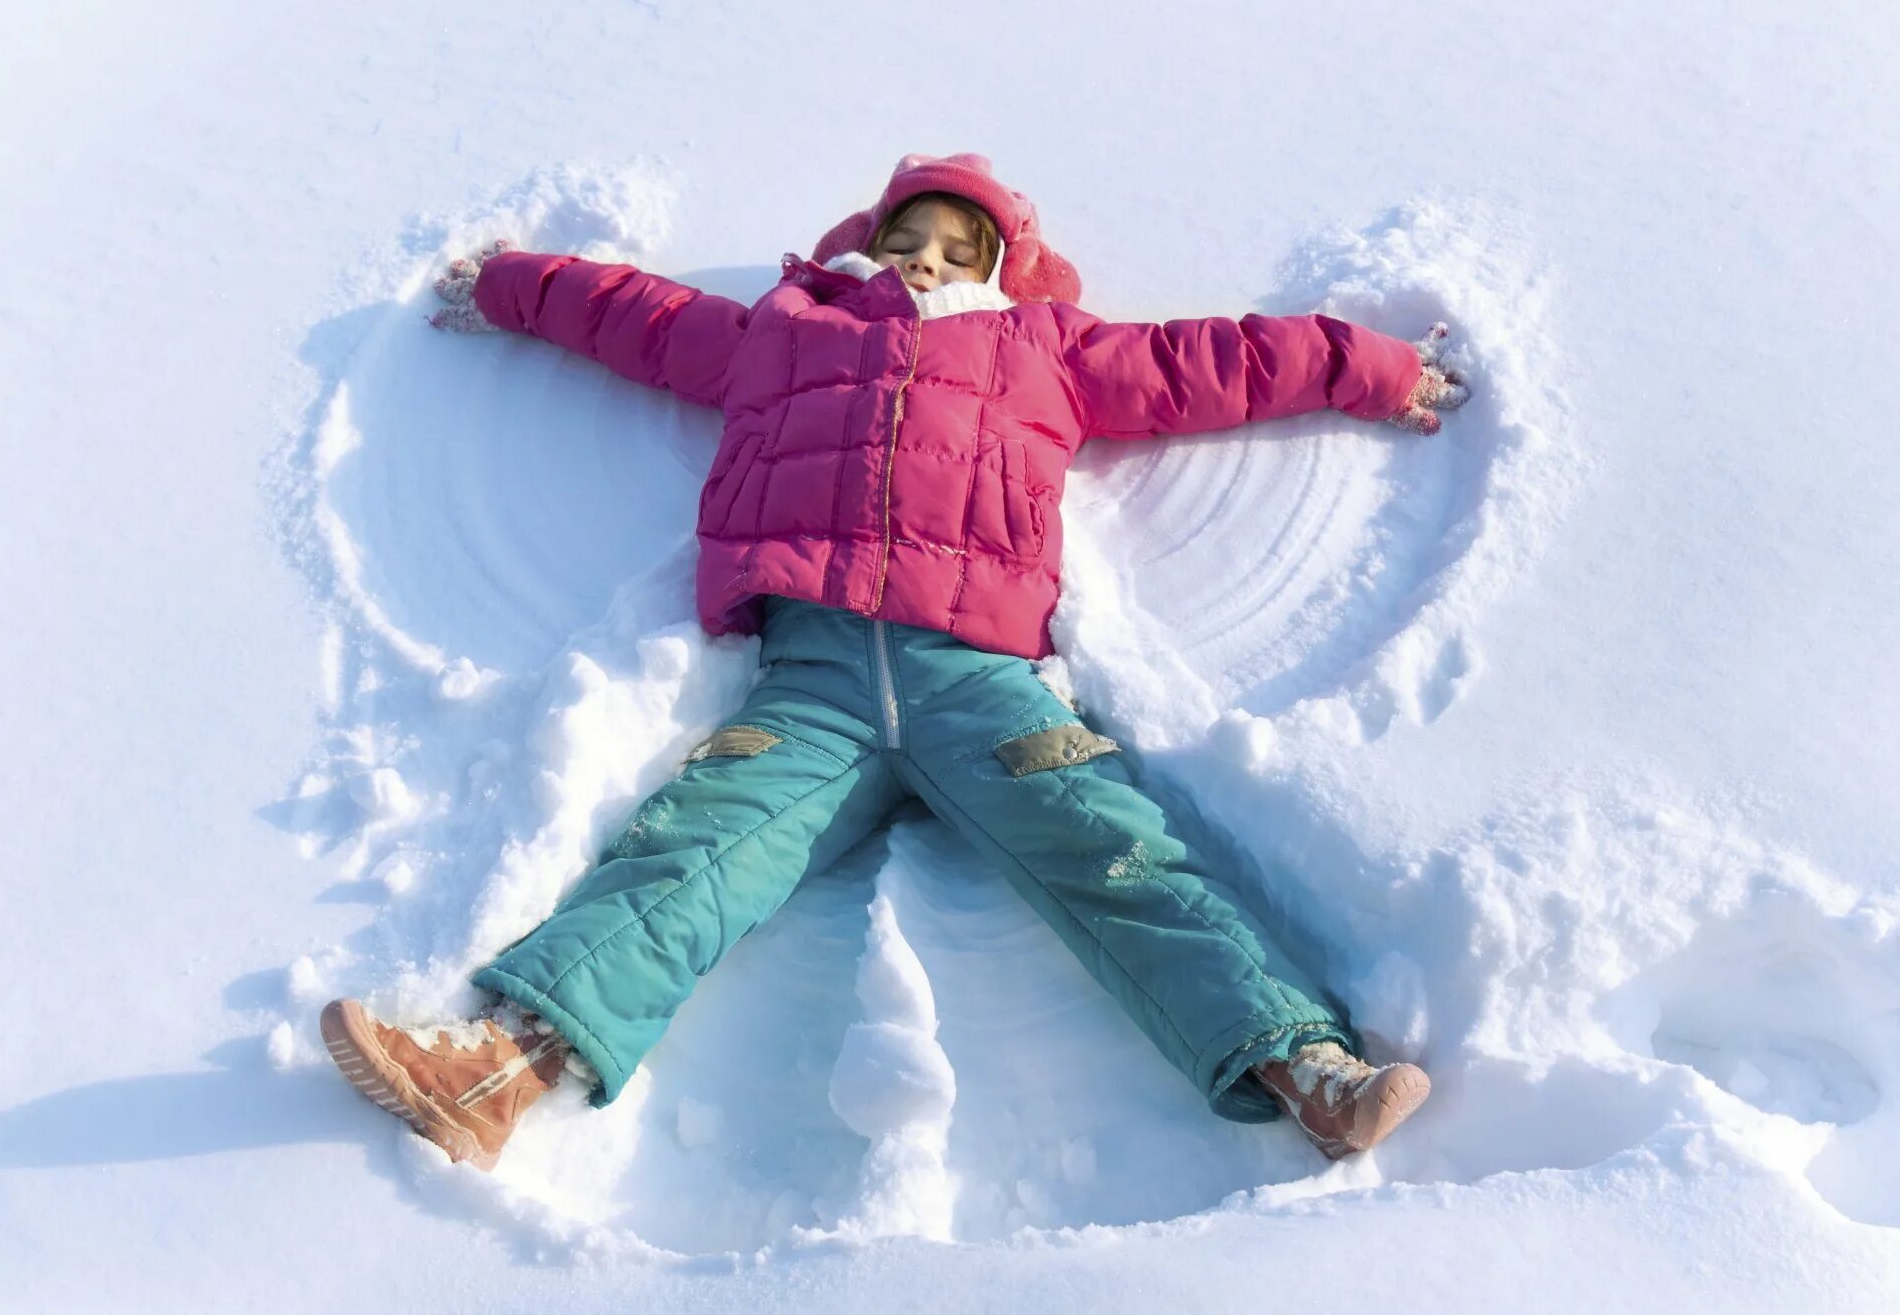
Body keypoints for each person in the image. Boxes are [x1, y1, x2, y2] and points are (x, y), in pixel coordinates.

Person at [320, 153, 1468, 1171]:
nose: (922, 261)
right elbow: (642, 318)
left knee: (1111, 846)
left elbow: (1208, 363)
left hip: (978, 676)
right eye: (902, 240)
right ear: (862, 250)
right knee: (690, 852)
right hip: (811, 681)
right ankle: (493, 1069)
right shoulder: (786, 329)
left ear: (1005, 269)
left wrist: (1370, 366)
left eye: (954, 249)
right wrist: (515, 284)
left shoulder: (1041, 348)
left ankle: (1304, 1068)